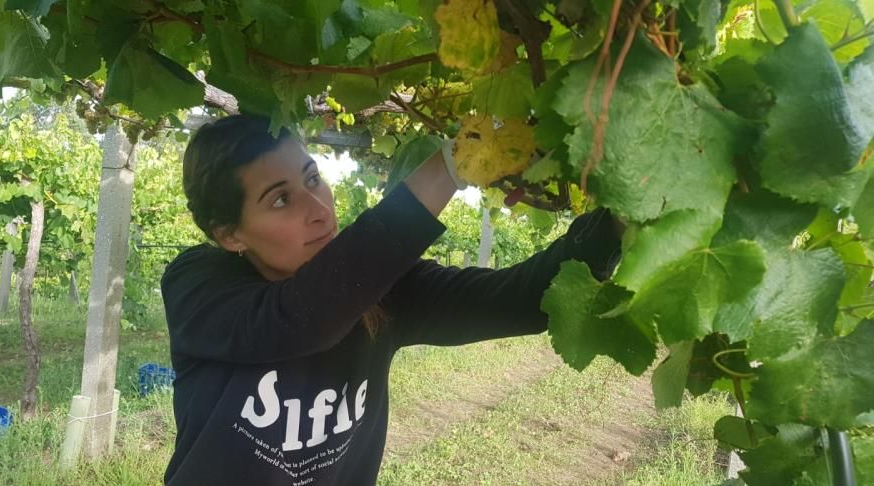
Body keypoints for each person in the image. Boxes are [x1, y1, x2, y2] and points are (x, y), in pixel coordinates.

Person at [160, 114, 621, 485]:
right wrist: (451, 165)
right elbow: (300, 319)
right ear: (230, 235)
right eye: (280, 200)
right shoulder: (200, 286)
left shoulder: (380, 288)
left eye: (313, 179)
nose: (319, 210)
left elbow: (521, 299)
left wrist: (622, 214)